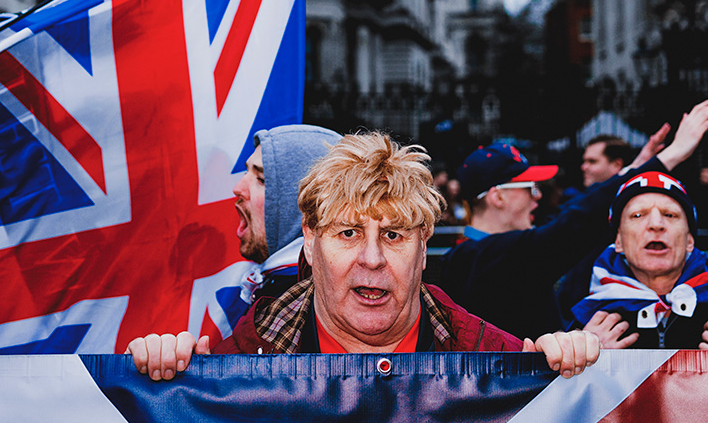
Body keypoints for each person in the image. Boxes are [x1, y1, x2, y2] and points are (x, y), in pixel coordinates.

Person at [127, 132, 599, 381]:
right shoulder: (243, 358)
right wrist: (164, 379)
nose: (371, 258)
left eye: (394, 235)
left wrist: (561, 372)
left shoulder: (493, 357)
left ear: (423, 247)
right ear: (310, 242)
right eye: (348, 232)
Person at [440, 99, 708, 340]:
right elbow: (569, 227)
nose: (537, 197)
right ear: (497, 197)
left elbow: (570, 215)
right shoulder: (478, 258)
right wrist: (669, 157)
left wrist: (636, 169)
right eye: (529, 188)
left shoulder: (480, 253)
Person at [572, 171, 708, 350]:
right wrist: (586, 363)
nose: (656, 224)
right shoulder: (589, 320)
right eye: (637, 215)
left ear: (689, 241)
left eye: (669, 215)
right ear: (618, 241)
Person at [218, 125, 341, 327]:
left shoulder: (300, 309)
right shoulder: (273, 288)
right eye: (246, 172)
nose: (237, 188)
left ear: (302, 203)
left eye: (262, 179)